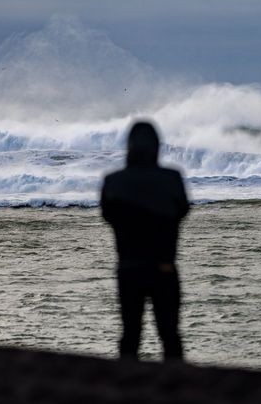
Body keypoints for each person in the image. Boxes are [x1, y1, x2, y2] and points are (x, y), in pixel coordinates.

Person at [101, 121, 189, 361]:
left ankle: (126, 390)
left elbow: (108, 215)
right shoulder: (172, 178)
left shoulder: (113, 181)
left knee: (130, 335)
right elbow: (182, 210)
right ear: (156, 146)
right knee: (170, 336)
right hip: (164, 267)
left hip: (128, 268)